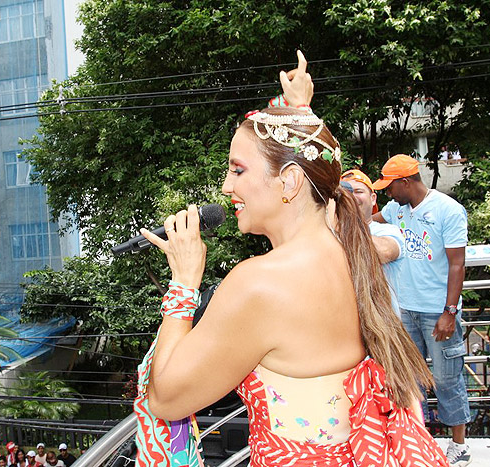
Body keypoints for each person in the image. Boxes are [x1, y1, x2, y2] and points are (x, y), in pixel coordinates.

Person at [135, 53, 448, 467]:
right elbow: (317, 170)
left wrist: (184, 283)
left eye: (238, 170)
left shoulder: (261, 284)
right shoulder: (348, 247)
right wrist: (299, 111)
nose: (227, 185)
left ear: (289, 181)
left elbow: (166, 398)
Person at [371, 154, 471, 466]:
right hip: (405, 313)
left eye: (390, 186)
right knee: (408, 380)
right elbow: (368, 223)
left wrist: (449, 313)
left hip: (436, 312)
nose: (388, 193)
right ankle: (416, 441)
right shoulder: (394, 209)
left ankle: (458, 445)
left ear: (406, 181)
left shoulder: (448, 210)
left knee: (446, 379)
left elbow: (457, 264)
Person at [340, 169, 404, 315]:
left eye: (358, 191)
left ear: (373, 198)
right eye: (346, 193)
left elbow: (383, 252)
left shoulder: (388, 231)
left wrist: (348, 220)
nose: (352, 197)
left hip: (384, 326)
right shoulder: (330, 230)